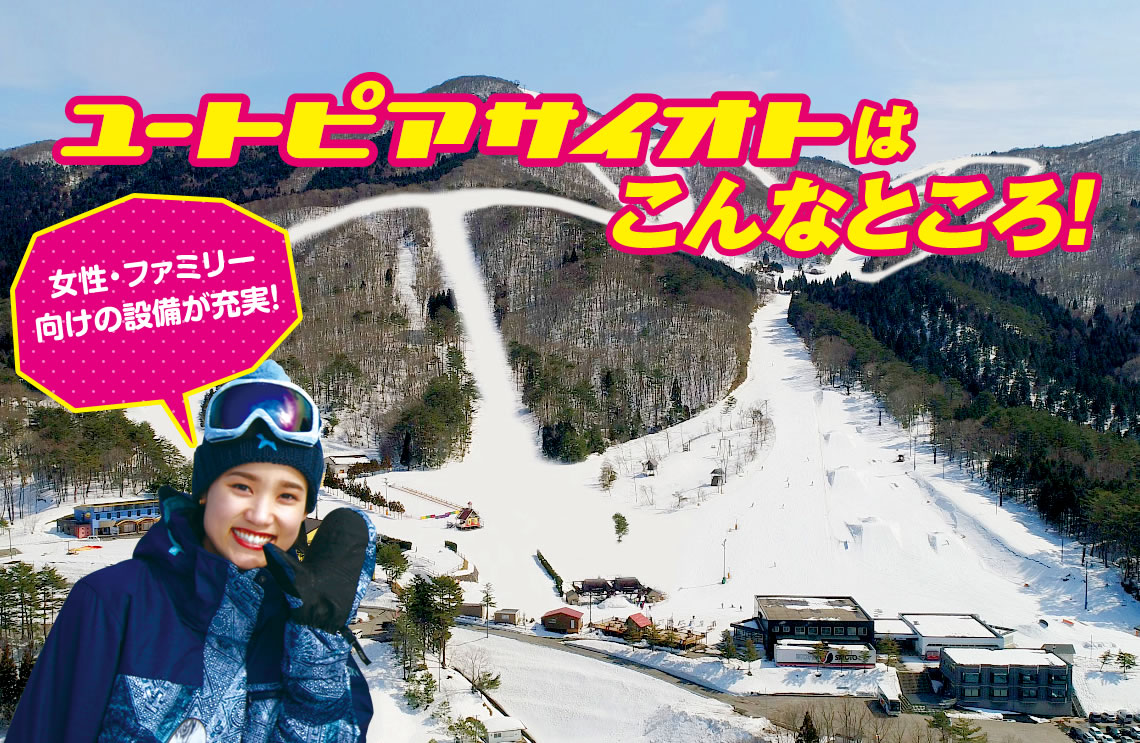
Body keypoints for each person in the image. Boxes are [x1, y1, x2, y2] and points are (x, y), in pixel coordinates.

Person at [8, 361, 376, 743]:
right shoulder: (113, 605)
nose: (260, 514)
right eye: (241, 487)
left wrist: (317, 653)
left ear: (303, 513)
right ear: (204, 491)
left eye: (287, 495)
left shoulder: (316, 644)